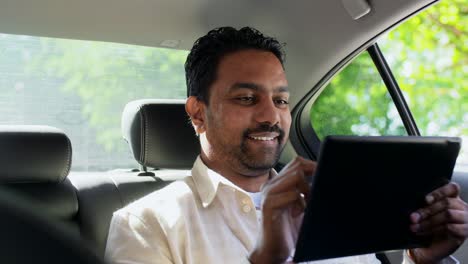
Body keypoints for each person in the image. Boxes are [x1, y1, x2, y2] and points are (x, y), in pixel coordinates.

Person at [105, 27, 468, 264]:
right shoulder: (145, 224)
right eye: (247, 98)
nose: (271, 116)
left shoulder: (331, 205)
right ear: (198, 114)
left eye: (280, 101)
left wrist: (420, 260)